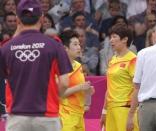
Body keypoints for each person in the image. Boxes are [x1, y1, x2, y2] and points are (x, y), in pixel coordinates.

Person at [0, 0, 76, 131]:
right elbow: (64, 83)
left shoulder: (6, 48)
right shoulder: (55, 45)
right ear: (41, 18)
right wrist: (54, 97)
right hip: (47, 116)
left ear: (18, 19)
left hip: (17, 117)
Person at [100, 23, 139, 131]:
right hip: (111, 110)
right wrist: (104, 111)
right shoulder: (113, 60)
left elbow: (137, 88)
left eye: (114, 37)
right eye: (110, 37)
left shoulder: (133, 60)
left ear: (125, 39)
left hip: (125, 110)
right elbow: (109, 87)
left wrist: (131, 115)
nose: (111, 40)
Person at [59, 30, 94, 131]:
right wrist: (80, 87)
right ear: (65, 48)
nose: (79, 47)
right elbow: (59, 94)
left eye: (79, 44)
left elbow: (79, 90)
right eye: (75, 44)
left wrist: (87, 91)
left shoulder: (78, 66)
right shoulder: (58, 67)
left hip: (79, 115)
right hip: (64, 116)